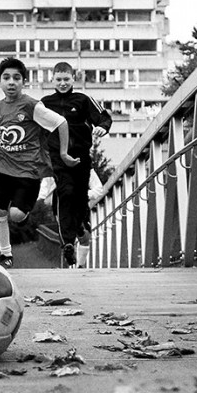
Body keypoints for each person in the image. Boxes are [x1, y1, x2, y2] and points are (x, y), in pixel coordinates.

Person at [0, 57, 78, 269]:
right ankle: (6, 254)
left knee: (16, 216)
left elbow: (60, 122)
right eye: (6, 78)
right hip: (3, 166)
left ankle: (23, 212)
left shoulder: (30, 105)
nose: (11, 82)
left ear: (23, 82)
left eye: (16, 78)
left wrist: (63, 154)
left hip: (29, 170)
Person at [41, 61, 112, 268]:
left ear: (74, 79)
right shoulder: (45, 103)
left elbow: (103, 117)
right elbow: (33, 124)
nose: (62, 83)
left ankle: (80, 227)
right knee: (65, 192)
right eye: (58, 80)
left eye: (66, 79)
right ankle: (68, 243)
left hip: (81, 157)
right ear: (52, 80)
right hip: (57, 158)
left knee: (79, 197)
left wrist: (101, 128)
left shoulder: (83, 100)